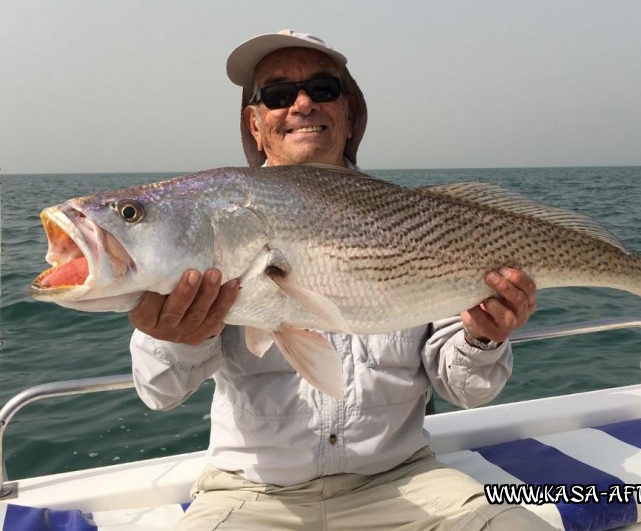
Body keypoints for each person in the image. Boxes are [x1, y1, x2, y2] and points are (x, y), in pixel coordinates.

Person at [129, 30, 546, 530]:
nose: (302, 104)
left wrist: (484, 337)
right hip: (252, 495)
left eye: (323, 89)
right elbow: (159, 392)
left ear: (348, 115)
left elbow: (468, 391)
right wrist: (175, 335)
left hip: (404, 481)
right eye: (279, 95)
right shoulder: (212, 222)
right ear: (255, 125)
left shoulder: (422, 225)